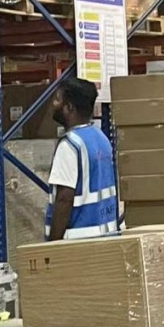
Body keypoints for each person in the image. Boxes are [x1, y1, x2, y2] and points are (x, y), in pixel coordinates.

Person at [45, 78, 119, 242]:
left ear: (69, 107)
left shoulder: (70, 145)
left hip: (78, 241)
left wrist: (52, 245)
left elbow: (64, 199)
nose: (53, 105)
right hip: (106, 236)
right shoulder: (101, 138)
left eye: (57, 99)